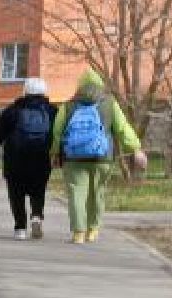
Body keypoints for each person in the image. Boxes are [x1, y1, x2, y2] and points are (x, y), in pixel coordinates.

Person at [50, 69, 148, 244]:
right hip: (102, 157)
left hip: (73, 158)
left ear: (80, 86)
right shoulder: (109, 104)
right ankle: (93, 230)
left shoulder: (68, 106)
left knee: (76, 193)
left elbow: (57, 131)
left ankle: (78, 233)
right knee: (97, 192)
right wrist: (135, 148)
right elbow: (122, 128)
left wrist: (55, 153)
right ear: (100, 85)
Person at [0, 77, 58, 241]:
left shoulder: (12, 110)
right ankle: (37, 216)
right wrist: (60, 155)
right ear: (44, 92)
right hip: (41, 158)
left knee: (16, 193)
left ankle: (20, 228)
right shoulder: (52, 111)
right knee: (38, 190)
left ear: (25, 91)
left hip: (15, 159)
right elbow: (59, 134)